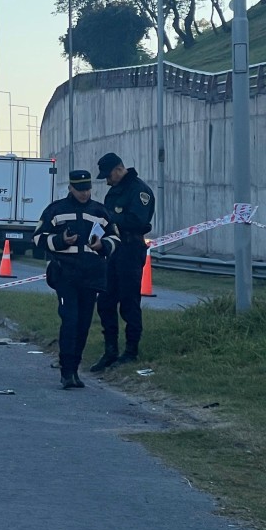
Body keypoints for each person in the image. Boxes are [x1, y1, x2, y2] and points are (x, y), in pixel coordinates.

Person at [31, 170, 119, 390]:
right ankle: (66, 371)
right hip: (65, 275)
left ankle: (75, 369)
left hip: (91, 278)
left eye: (87, 189)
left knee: (83, 324)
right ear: (70, 188)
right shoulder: (56, 210)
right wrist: (61, 240)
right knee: (70, 321)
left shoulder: (100, 211)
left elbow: (115, 237)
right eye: (80, 190)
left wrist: (103, 246)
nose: (84, 194)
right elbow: (38, 237)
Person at [91, 152, 155, 373]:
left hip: (130, 249)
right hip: (113, 251)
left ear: (118, 169)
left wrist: (112, 220)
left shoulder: (139, 191)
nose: (107, 181)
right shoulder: (114, 192)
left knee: (129, 302)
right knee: (106, 302)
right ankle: (110, 351)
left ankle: (131, 351)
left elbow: (138, 221)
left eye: (108, 176)